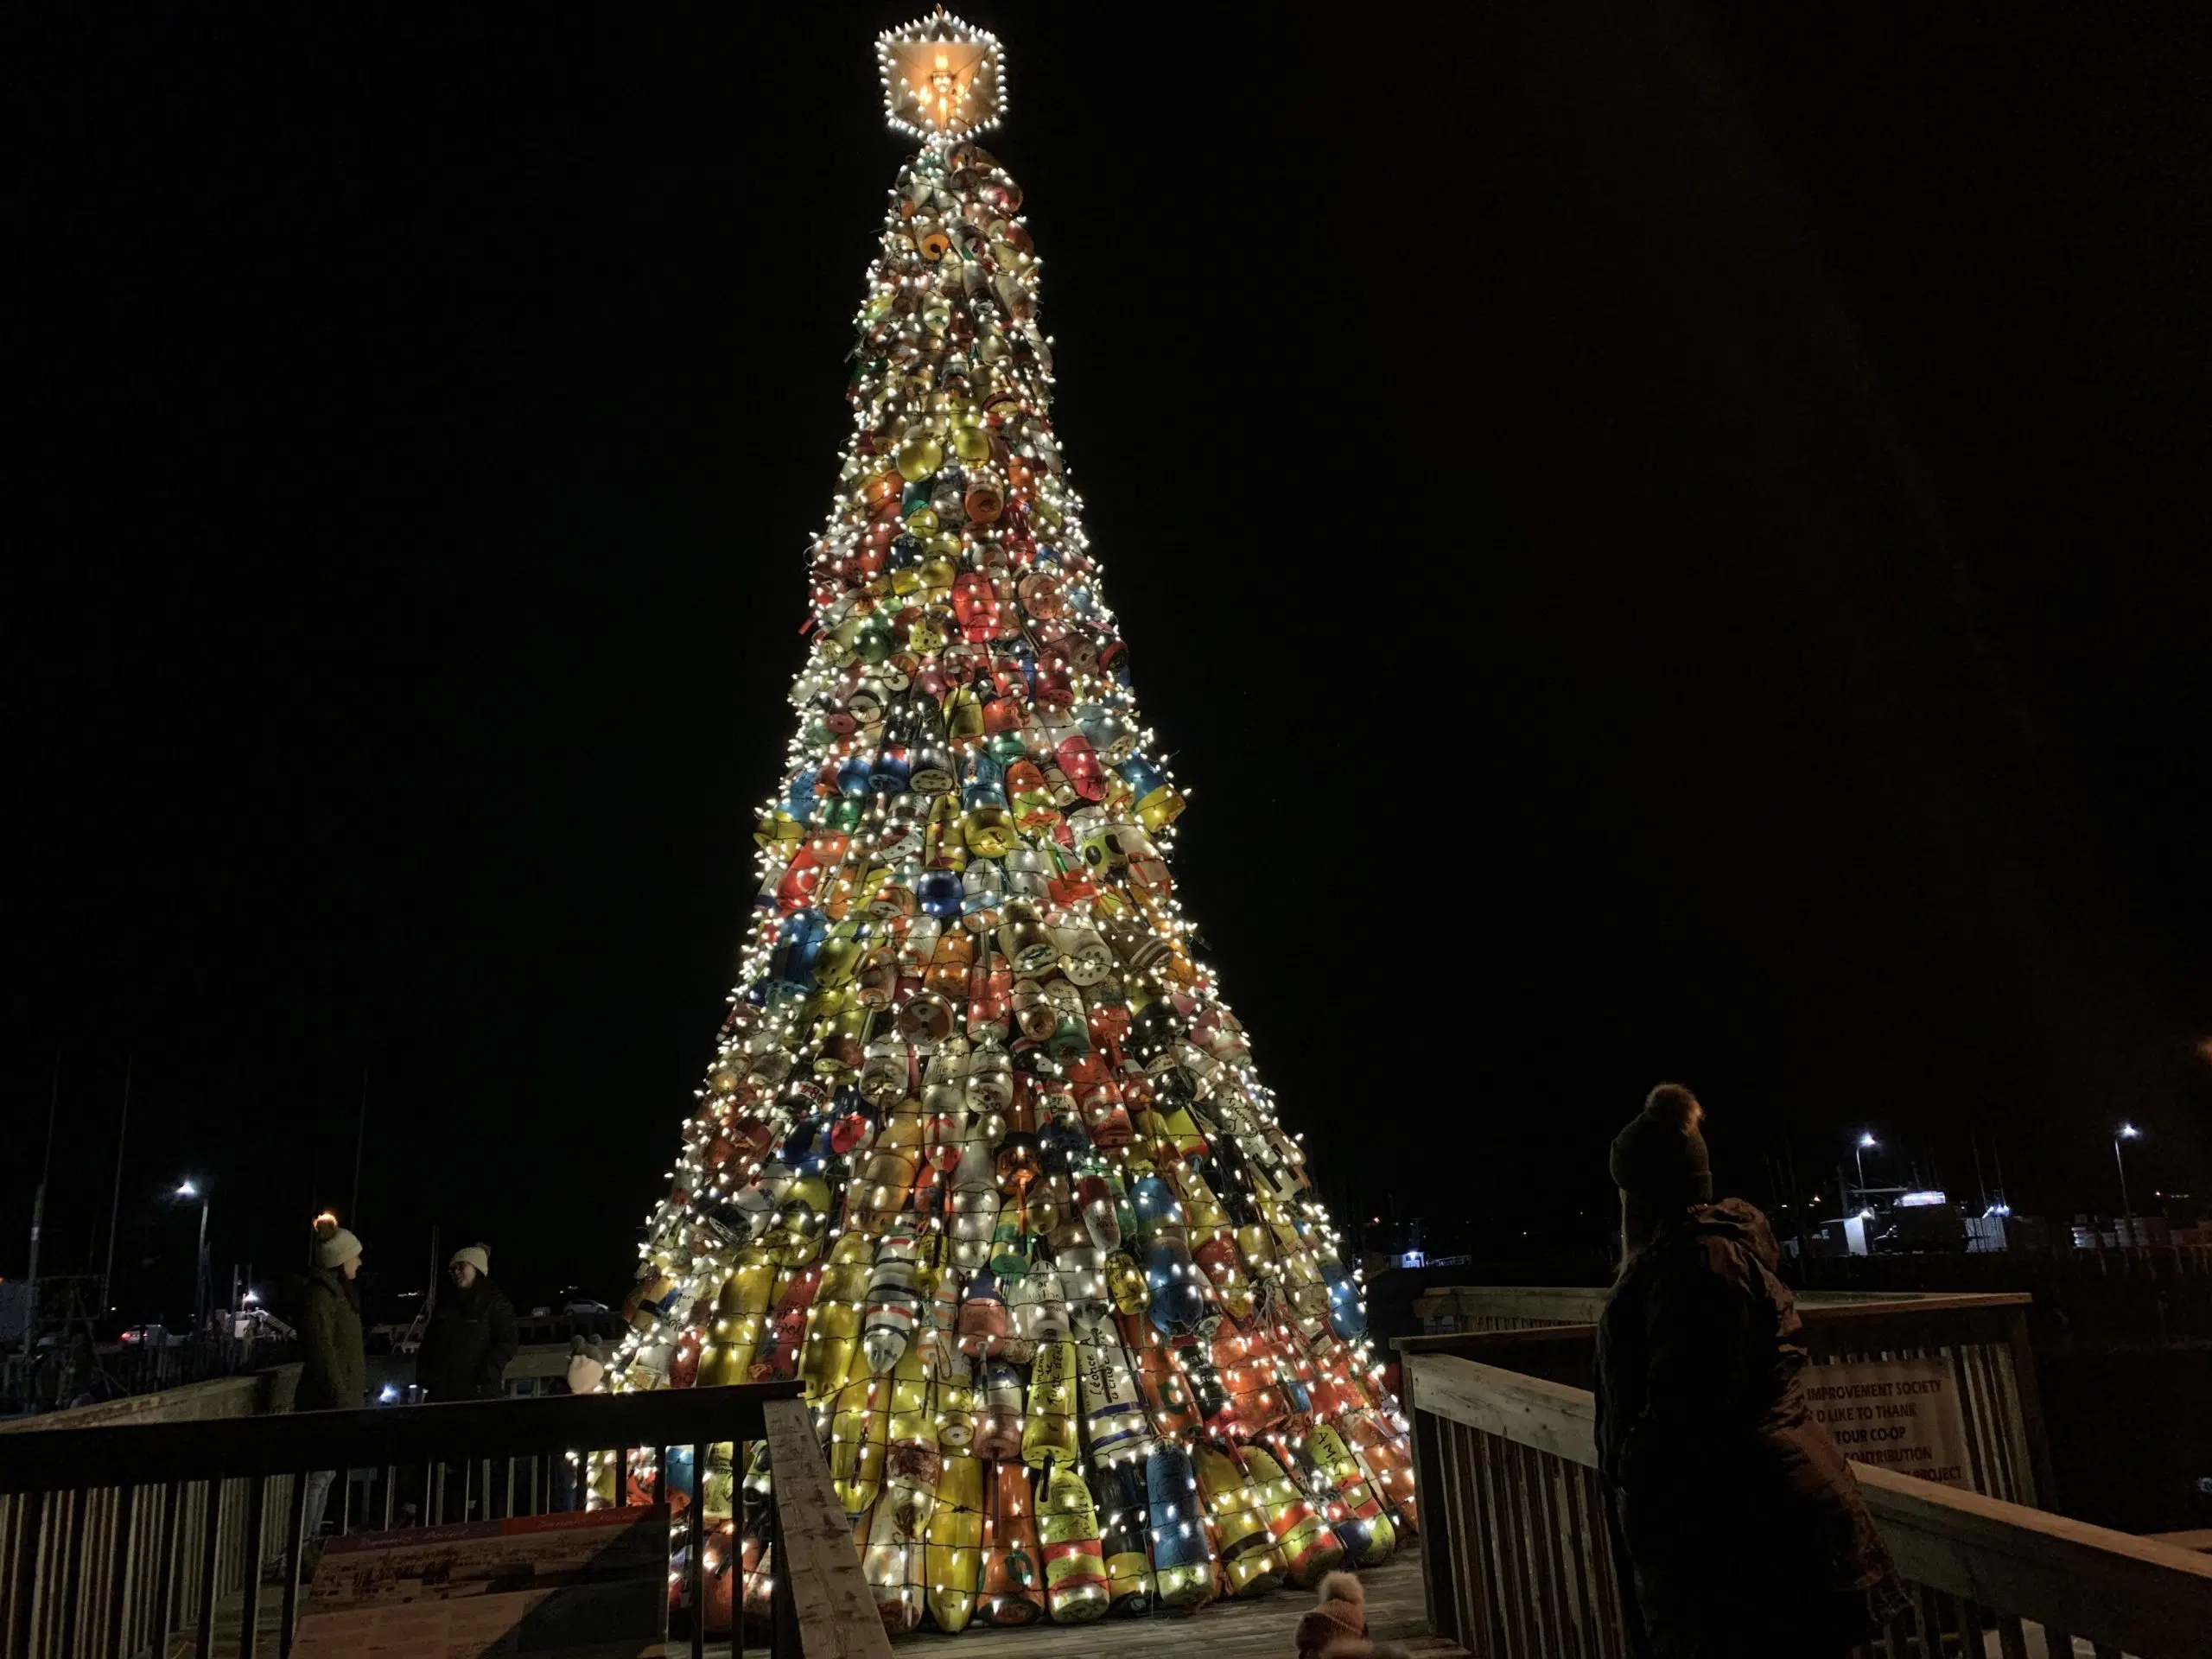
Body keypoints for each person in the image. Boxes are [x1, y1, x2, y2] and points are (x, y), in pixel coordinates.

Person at [1594, 1084, 1907, 1659]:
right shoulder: (1698, 1257)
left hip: (1751, 1535)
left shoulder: (1699, 1267)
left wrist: (1630, 1465)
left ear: (1639, 1195)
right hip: (1753, 1519)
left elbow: (1688, 1409)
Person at [297, 1216, 367, 1539]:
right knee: (317, 1477)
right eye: (355, 1255)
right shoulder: (322, 1296)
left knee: (324, 1477)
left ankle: (308, 1543)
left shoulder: (335, 1294)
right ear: (340, 1260)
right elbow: (322, 1350)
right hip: (326, 1403)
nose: (359, 1261)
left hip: (336, 1402)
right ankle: (302, 1545)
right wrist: (340, 1397)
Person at [416, 1243, 517, 1402]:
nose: (456, 1272)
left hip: (479, 1392)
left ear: (477, 1268)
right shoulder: (446, 1302)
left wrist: (488, 1372)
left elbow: (507, 1341)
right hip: (442, 1393)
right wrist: (425, 1375)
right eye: (453, 1269)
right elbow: (430, 1341)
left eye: (461, 1266)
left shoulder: (496, 1303)